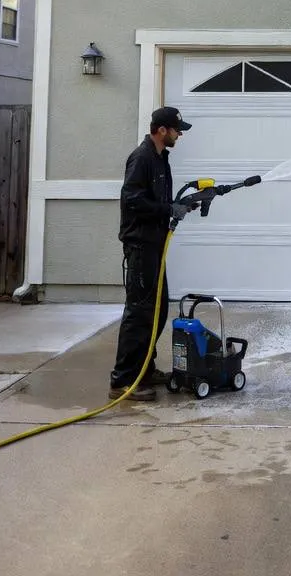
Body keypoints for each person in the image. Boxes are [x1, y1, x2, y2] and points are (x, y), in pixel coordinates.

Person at [108, 105, 196, 402]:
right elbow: (132, 200)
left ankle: (144, 370)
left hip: (154, 246)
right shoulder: (142, 158)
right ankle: (122, 380)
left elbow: (156, 201)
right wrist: (168, 208)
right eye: (177, 130)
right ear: (162, 130)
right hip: (140, 246)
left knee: (157, 313)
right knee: (139, 314)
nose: (179, 135)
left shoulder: (160, 159)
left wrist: (179, 206)